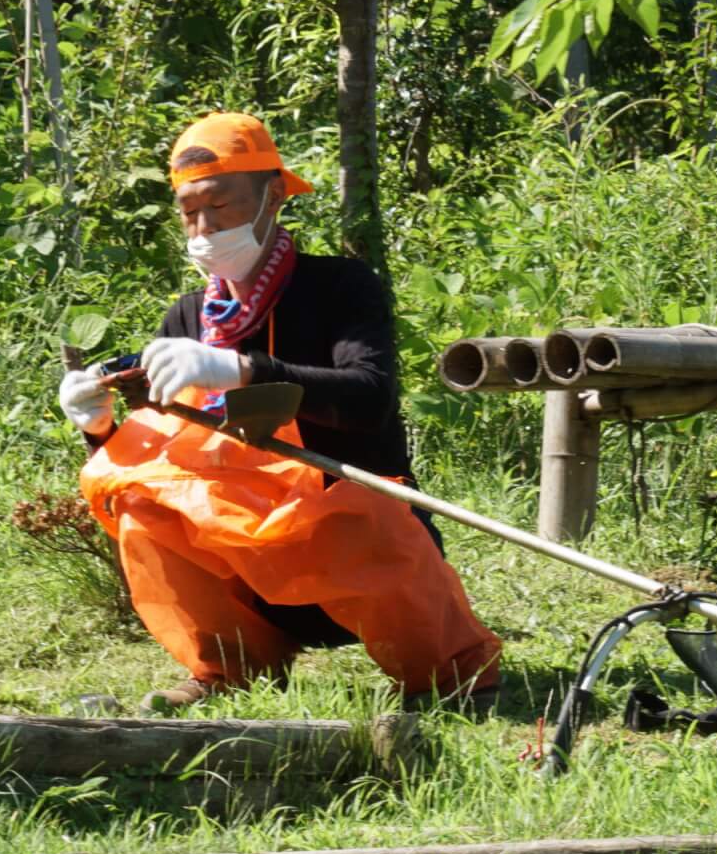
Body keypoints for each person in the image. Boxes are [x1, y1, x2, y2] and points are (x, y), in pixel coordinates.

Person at [59, 112, 503, 713]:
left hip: (351, 550)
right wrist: (99, 426)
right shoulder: (187, 318)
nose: (204, 228)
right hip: (239, 556)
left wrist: (243, 370)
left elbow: (369, 397)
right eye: (189, 213)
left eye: (220, 206)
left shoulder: (339, 286)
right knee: (143, 504)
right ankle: (230, 667)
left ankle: (449, 673)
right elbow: (159, 456)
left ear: (272, 196)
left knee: (364, 504)